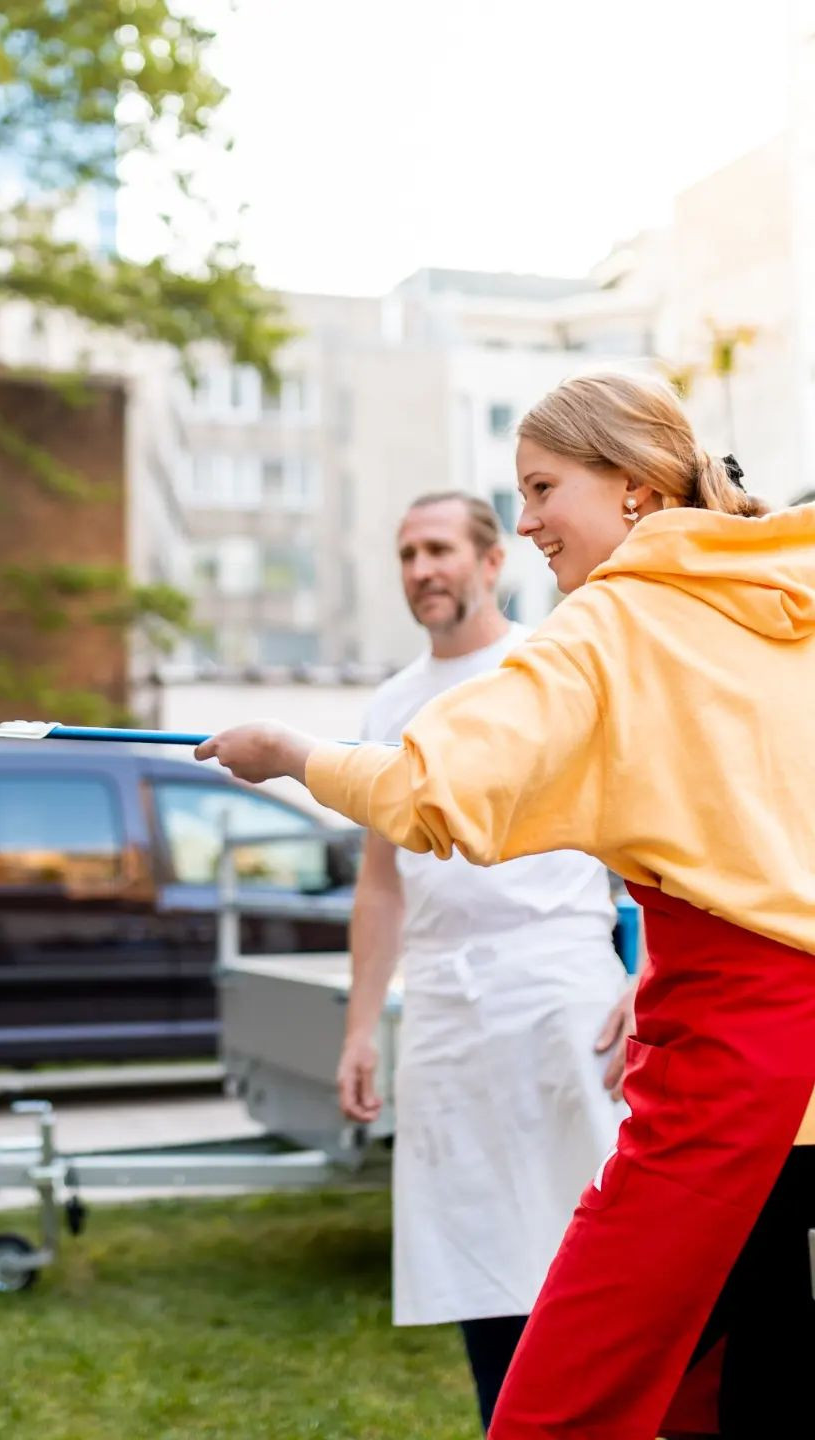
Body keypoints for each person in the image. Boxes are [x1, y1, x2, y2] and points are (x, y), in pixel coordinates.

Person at [195, 368, 815, 1437]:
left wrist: (293, 753)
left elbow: (430, 791)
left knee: (560, 1403)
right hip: (766, 1055)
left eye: (541, 488)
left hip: (731, 1062)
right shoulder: (783, 596)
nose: (526, 522)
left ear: (631, 484)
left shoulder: (611, 624)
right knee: (740, 1377)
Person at [338, 490, 631, 1433]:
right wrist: (361, 1030)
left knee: (594, 1255)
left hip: (561, 995)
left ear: (492, 560)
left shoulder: (551, 666)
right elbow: (381, 886)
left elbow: (645, 833)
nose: (422, 570)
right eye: (407, 554)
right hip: (444, 1016)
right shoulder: (390, 705)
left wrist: (647, 976)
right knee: (479, 1260)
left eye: (439, 550)